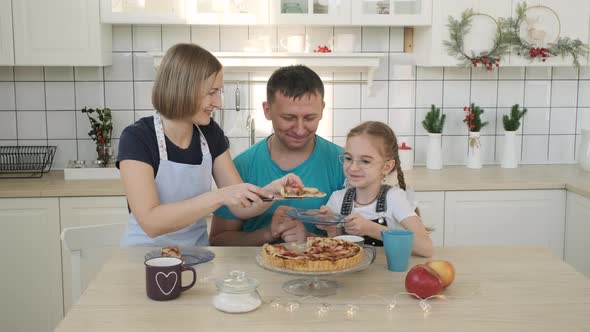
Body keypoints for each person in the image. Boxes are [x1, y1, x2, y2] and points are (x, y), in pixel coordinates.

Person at [117, 43, 302, 247]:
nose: (218, 103)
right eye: (211, 92)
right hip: (143, 258)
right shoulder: (138, 138)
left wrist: (273, 192)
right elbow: (151, 222)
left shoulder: (209, 133)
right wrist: (219, 197)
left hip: (197, 255)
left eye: (219, 92)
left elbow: (241, 208)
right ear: (183, 90)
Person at [210, 65, 346, 246]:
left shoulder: (345, 164)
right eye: (288, 118)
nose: (299, 129)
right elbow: (219, 240)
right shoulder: (239, 168)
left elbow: (360, 238)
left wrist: (311, 240)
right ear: (267, 110)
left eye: (309, 118)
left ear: (322, 109)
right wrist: (268, 234)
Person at [317, 121, 433, 257]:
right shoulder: (337, 199)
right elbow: (335, 252)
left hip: (385, 276)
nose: (353, 167)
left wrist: (370, 229)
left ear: (387, 167)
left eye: (365, 161)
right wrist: (331, 230)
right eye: (348, 158)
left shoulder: (394, 198)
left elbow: (426, 248)